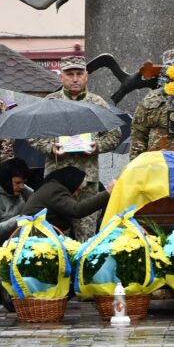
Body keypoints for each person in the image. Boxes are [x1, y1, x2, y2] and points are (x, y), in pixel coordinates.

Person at [29, 55, 121, 240]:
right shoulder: (50, 102)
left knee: (85, 236)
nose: (75, 78)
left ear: (86, 76)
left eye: (79, 73)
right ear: (61, 77)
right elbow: (32, 134)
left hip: (87, 179)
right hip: (56, 180)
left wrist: (97, 146)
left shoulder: (97, 103)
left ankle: (84, 269)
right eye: (70, 74)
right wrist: (50, 147)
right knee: (53, 235)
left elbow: (115, 134)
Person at [21, 166, 113, 237]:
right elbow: (76, 210)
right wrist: (107, 194)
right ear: (71, 183)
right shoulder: (54, 190)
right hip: (34, 235)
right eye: (78, 190)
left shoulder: (53, 186)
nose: (77, 194)